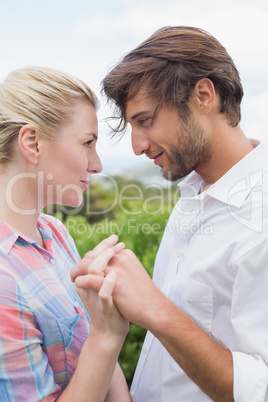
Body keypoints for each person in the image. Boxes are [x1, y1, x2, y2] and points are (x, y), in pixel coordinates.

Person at [71, 26, 268, 401]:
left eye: (145, 121)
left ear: (204, 96)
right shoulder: (194, 192)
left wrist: (154, 308)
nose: (137, 145)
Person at [0, 66, 131, 401]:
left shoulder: (54, 233)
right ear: (32, 142)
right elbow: (99, 341)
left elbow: (98, 360)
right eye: (87, 143)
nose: (97, 164)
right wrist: (107, 333)